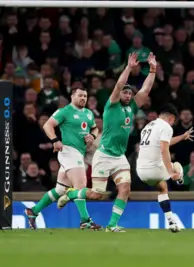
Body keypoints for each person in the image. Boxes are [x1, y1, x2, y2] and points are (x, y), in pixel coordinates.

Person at [59, 52, 157, 232]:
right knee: (97, 195)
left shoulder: (132, 107)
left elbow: (145, 90)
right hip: (103, 156)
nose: (128, 95)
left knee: (125, 188)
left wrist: (152, 69)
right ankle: (72, 193)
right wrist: (129, 67)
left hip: (119, 157)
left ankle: (112, 225)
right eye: (125, 92)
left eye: (129, 93)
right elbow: (119, 84)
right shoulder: (112, 105)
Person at [25, 88, 103, 230]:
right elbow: (47, 125)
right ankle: (85, 220)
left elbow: (95, 129)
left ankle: (33, 211)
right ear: (72, 96)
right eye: (80, 95)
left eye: (85, 96)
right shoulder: (65, 111)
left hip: (79, 153)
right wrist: (55, 140)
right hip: (68, 151)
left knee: (60, 190)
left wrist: (92, 136)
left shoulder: (88, 113)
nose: (83, 98)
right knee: (81, 186)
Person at [136, 104, 194, 232]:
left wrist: (182, 137)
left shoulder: (148, 126)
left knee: (162, 187)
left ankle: (171, 221)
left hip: (141, 171)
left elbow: (163, 142)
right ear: (172, 118)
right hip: (154, 169)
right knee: (177, 165)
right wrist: (170, 171)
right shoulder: (166, 126)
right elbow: (164, 149)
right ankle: (179, 178)